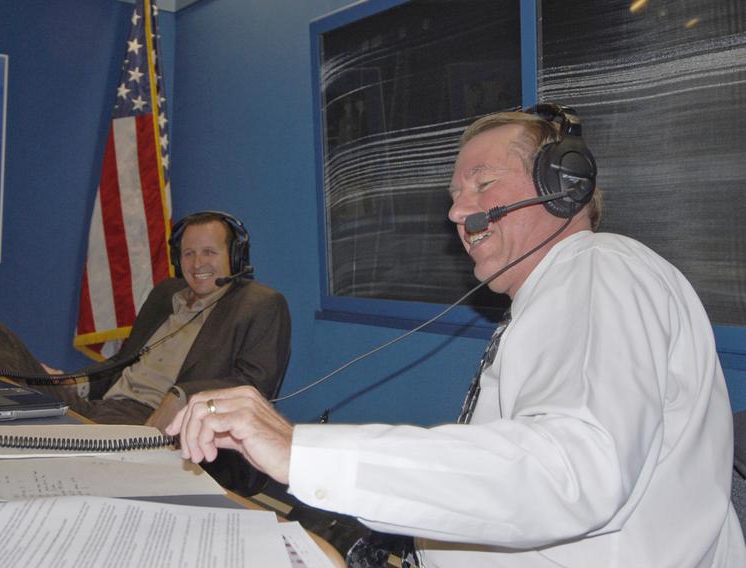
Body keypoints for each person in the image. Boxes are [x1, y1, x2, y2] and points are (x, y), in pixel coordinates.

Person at [167, 106, 746, 567]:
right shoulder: (552, 298)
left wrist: (299, 451)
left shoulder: (598, 267)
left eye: (482, 183)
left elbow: (575, 471)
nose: (456, 212)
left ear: (563, 187)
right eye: (453, 196)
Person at [0, 211, 291, 434]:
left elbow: (253, 385)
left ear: (234, 257)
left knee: (48, 414)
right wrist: (71, 383)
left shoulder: (259, 305)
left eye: (209, 252)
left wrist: (183, 395)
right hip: (100, 408)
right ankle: (45, 412)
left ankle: (43, 419)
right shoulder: (167, 295)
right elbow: (122, 363)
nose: (197, 263)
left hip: (144, 420)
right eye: (188, 253)